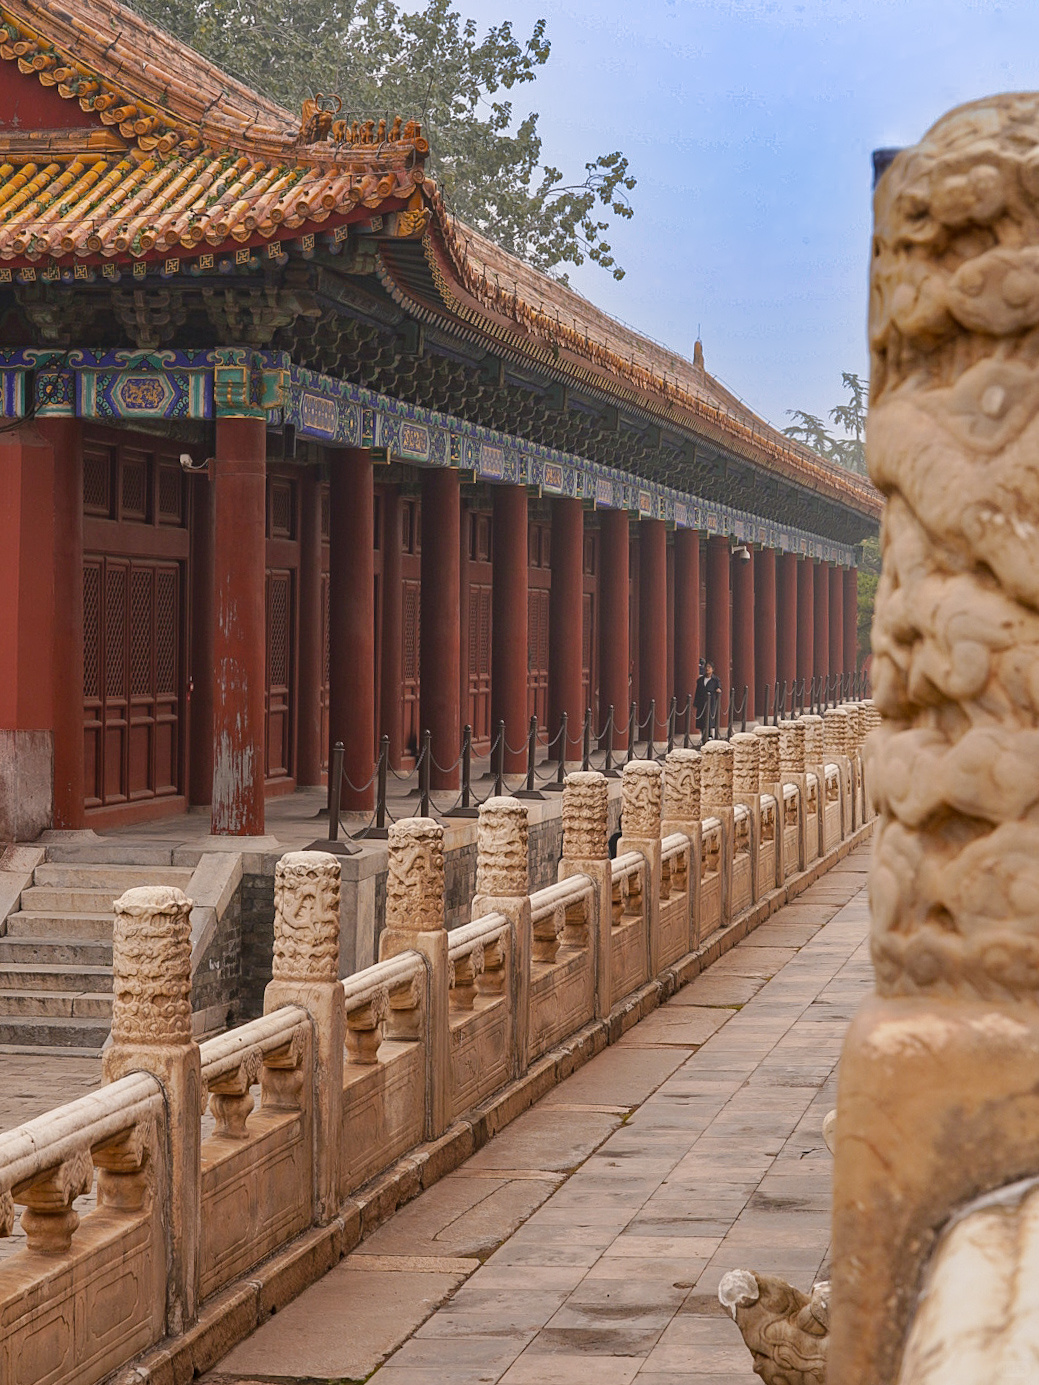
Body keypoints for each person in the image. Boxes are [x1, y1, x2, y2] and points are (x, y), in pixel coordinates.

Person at [695, 660, 721, 739]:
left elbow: (719, 688)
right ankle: (703, 735)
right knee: (702, 719)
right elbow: (697, 691)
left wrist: (718, 690)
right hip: (701, 702)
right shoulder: (700, 680)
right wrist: (696, 703)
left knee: (709, 719)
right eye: (706, 667)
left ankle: (709, 735)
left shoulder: (715, 680)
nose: (707, 669)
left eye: (709, 667)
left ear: (712, 669)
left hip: (711, 702)